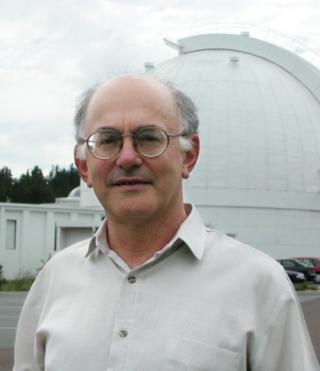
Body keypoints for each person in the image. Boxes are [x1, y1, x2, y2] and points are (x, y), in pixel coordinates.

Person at [14, 75, 319, 371]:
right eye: (107, 140)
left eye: (149, 138)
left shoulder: (259, 284)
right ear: (83, 166)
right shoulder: (55, 279)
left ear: (189, 156)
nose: (128, 158)